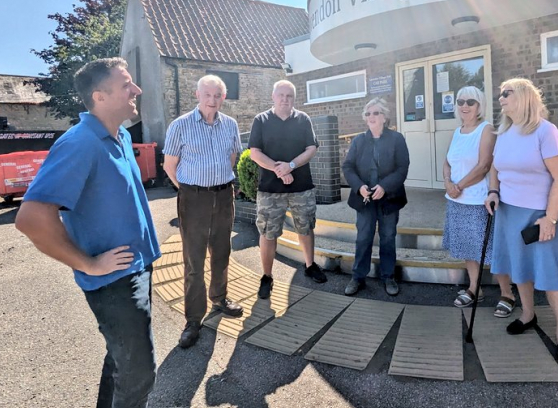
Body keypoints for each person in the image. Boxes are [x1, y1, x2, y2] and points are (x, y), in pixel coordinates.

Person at [15, 58, 160, 408]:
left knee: (121, 362)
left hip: (137, 268)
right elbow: (31, 218)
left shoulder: (120, 135)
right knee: (139, 373)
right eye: (127, 85)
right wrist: (89, 264)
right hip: (114, 283)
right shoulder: (80, 143)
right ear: (100, 96)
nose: (136, 90)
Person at [485, 78, 558, 365]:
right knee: (518, 267)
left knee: (548, 273)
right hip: (508, 211)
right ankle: (528, 315)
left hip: (538, 215)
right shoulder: (504, 132)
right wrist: (493, 191)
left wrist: (550, 218)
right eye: (500, 94)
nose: (501, 99)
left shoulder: (546, 132)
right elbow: (495, 168)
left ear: (524, 96)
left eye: (506, 93)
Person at [162, 75, 243, 349]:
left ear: (224, 97)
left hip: (223, 195)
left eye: (217, 95)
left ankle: (219, 299)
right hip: (192, 197)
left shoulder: (230, 124)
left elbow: (232, 158)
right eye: (207, 94)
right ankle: (194, 319)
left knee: (222, 251)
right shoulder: (180, 125)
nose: (212, 100)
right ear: (197, 94)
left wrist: (216, 184)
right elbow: (169, 166)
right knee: (193, 260)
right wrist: (188, 191)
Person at [248, 80, 326, 298]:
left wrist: (291, 165)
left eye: (289, 96)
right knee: (268, 233)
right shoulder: (261, 120)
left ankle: (310, 266)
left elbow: (311, 148)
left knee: (306, 228)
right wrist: (279, 170)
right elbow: (255, 152)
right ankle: (267, 276)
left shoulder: (303, 119)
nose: (285, 99)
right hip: (270, 190)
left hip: (301, 187)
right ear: (273, 97)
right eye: (281, 95)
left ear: (294, 98)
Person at [442, 86, 514, 310]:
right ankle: (475, 288)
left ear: (479, 105)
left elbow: (484, 165)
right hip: (456, 200)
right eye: (460, 101)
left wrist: (459, 185)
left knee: (490, 249)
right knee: (467, 248)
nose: (465, 106)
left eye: (470, 102)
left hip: (477, 201)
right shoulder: (458, 131)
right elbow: (447, 162)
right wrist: (448, 184)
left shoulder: (486, 129)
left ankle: (507, 293)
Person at [341, 98, 410, 296]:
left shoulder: (397, 139)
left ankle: (388, 277)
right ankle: (358, 277)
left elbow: (402, 168)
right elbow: (348, 167)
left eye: (376, 113)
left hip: (389, 199)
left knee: (388, 238)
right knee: (363, 238)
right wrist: (359, 186)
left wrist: (385, 186)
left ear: (385, 117)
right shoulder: (358, 141)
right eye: (368, 113)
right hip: (365, 200)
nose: (371, 117)